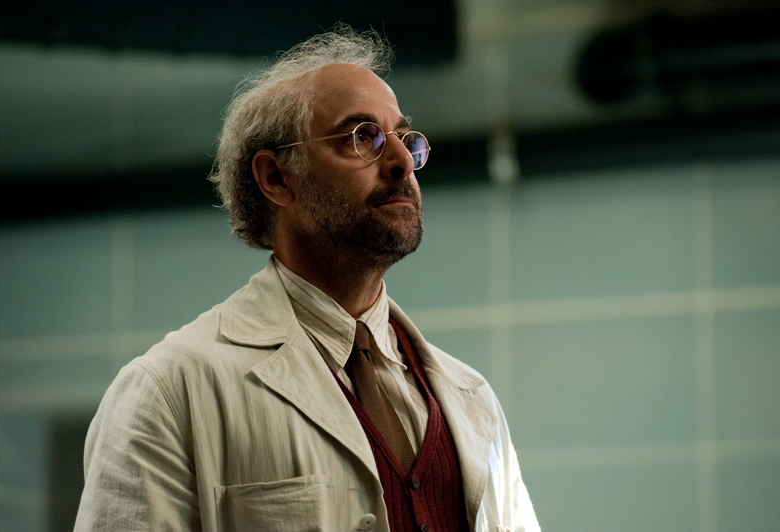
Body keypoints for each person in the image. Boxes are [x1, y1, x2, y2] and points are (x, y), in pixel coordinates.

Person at [75, 26, 540, 532]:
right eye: (363, 137)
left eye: (406, 140)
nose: (403, 161)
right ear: (276, 177)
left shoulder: (471, 397)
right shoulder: (169, 390)